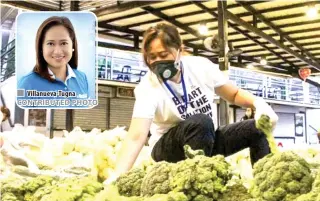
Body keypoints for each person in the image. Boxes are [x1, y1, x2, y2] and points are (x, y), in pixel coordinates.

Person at [105, 23, 279, 183]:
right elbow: (136, 136)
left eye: (163, 54)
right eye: (152, 57)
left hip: (206, 139)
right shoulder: (148, 87)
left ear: (179, 50)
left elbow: (233, 95)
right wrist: (118, 174)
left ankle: (266, 184)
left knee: (256, 129)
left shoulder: (200, 67)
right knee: (201, 122)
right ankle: (199, 185)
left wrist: (258, 103)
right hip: (168, 148)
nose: (157, 61)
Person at [17, 16, 89, 99]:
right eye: (50, 43)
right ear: (41, 48)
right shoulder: (27, 83)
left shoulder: (82, 78)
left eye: (63, 43)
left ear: (73, 45)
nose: (58, 51)